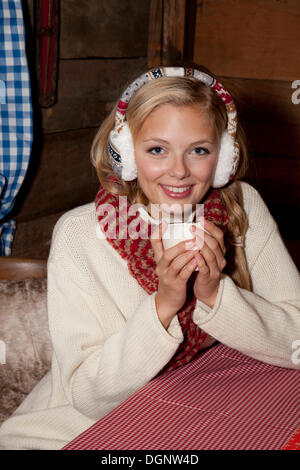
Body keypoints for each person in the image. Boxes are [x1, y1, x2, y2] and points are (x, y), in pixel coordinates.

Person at [0, 65, 299, 450]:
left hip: (201, 404)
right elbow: (88, 396)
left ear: (224, 157)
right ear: (125, 154)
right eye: (157, 149)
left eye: (199, 151)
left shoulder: (243, 205)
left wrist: (213, 293)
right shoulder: (79, 235)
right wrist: (164, 304)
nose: (179, 171)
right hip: (75, 428)